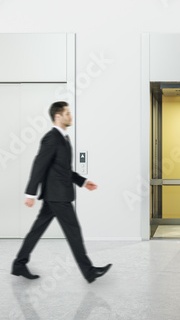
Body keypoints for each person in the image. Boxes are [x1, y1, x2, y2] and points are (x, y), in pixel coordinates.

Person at [11, 101, 111, 283]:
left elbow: (62, 169)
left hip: (54, 195)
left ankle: (19, 264)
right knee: (73, 231)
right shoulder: (51, 138)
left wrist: (83, 182)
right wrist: (30, 193)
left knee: (37, 229)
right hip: (58, 196)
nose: (70, 116)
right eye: (67, 113)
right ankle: (89, 272)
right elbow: (39, 165)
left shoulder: (64, 139)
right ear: (58, 116)